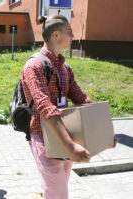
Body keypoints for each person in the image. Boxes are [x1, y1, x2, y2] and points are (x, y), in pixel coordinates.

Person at [21, 15, 116, 199]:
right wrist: (71, 145)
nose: (73, 35)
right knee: (58, 194)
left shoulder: (65, 68)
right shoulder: (34, 66)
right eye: (69, 31)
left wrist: (103, 134)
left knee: (57, 188)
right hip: (44, 138)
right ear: (55, 34)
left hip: (66, 137)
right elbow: (45, 108)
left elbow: (81, 99)